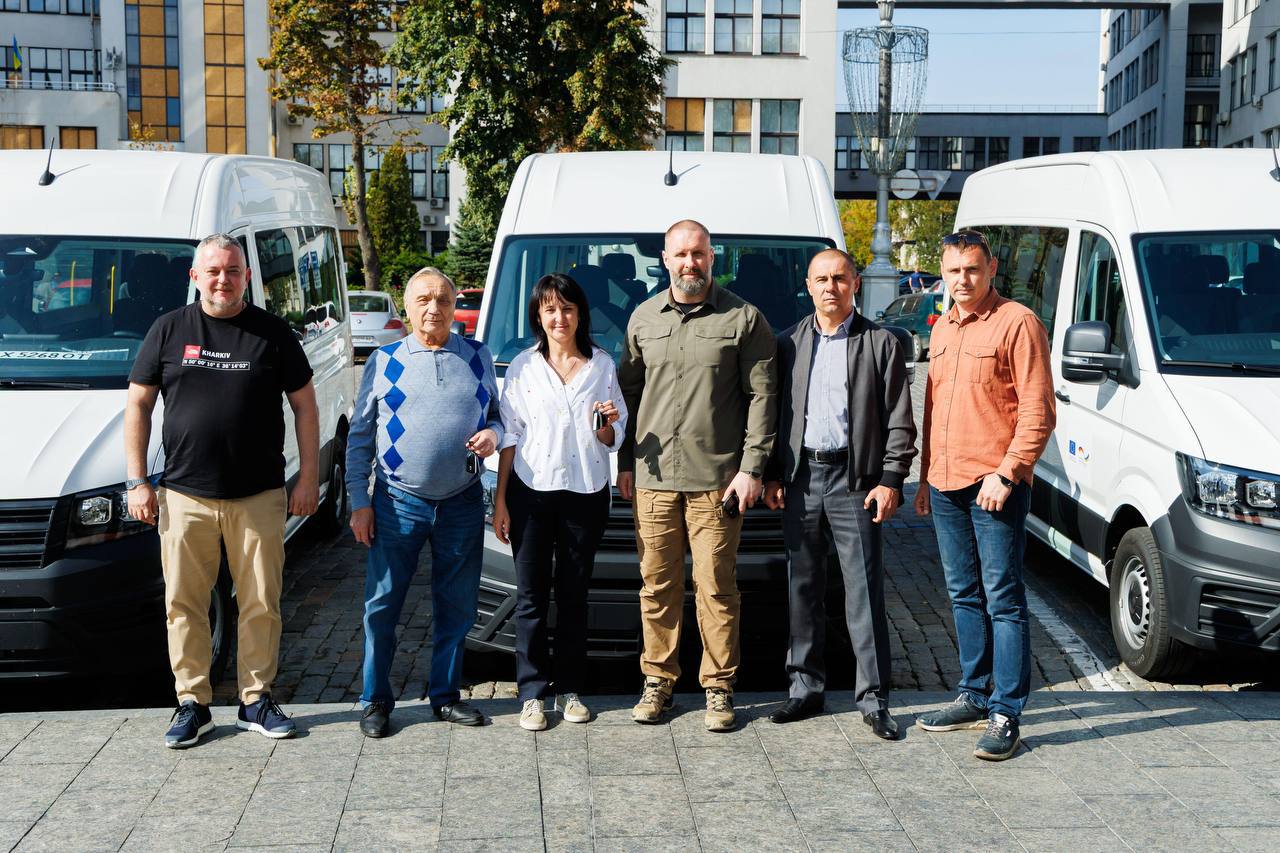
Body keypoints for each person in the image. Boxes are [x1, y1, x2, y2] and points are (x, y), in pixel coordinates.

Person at [125, 233, 319, 749]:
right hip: (184, 495)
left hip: (258, 496)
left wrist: (308, 477)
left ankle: (256, 700)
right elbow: (139, 404)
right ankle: (193, 703)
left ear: (247, 276)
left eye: (232, 270)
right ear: (195, 277)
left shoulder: (273, 333)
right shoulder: (169, 329)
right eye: (213, 271)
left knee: (261, 602)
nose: (223, 280)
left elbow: (305, 405)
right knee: (184, 603)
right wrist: (137, 480)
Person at [617, 219, 777, 732]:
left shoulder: (744, 318)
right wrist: (624, 462)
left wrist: (752, 468)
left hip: (717, 482)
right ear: (665, 259)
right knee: (656, 586)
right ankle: (658, 681)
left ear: (712, 257)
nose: (691, 263)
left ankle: (719, 688)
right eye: (681, 254)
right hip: (653, 479)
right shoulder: (643, 318)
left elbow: (763, 398)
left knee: (716, 588)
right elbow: (628, 395)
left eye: (699, 254)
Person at [762, 249, 916, 739]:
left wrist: (891, 480)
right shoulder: (787, 344)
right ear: (808, 286)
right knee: (802, 587)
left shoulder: (880, 343)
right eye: (821, 279)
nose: (831, 287)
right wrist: (772, 474)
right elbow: (773, 415)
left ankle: (873, 699)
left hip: (856, 480)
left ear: (855, 284)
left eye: (840, 278)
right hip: (801, 479)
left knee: (863, 591)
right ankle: (805, 689)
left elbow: (899, 418)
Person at [914, 230, 1055, 761]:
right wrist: (925, 476)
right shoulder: (943, 327)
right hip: (945, 481)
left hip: (994, 484)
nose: (963, 280)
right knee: (962, 594)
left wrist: (1009, 472)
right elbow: (934, 408)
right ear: (942, 273)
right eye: (953, 271)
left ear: (991, 268)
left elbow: (1039, 410)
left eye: (972, 269)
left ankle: (1006, 712)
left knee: (1004, 599)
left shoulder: (1017, 322)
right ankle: (973, 694)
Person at [347, 267, 502, 737]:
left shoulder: (477, 355)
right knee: (382, 605)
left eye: (443, 300)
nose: (434, 309)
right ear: (407, 307)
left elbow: (497, 415)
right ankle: (375, 700)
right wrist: (358, 501)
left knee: (457, 606)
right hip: (398, 501)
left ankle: (446, 696)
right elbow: (360, 436)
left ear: (455, 307)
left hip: (461, 500)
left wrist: (493, 435)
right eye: (423, 300)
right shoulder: (385, 360)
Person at [491, 273, 627, 731]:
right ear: (538, 315)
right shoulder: (522, 367)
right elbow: (509, 435)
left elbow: (613, 435)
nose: (559, 318)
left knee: (573, 596)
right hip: (530, 493)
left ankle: (570, 690)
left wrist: (607, 426)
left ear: (580, 314)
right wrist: (501, 501)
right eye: (550, 309)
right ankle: (531, 693)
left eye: (567, 308)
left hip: (585, 493)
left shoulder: (602, 366)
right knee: (530, 596)